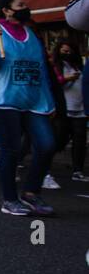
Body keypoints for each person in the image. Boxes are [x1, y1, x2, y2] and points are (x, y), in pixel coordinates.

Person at [0, 0, 58, 216]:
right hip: (4, 99)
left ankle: (31, 192)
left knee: (47, 144)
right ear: (6, 11)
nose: (25, 7)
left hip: (34, 100)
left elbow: (42, 71)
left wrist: (50, 100)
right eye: (20, 5)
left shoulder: (32, 34)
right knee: (9, 150)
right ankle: (9, 199)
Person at [52, 39, 86, 182]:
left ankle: (78, 170)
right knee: (59, 141)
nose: (67, 53)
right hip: (64, 109)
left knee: (80, 141)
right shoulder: (56, 66)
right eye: (64, 51)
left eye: (70, 51)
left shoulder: (79, 66)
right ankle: (44, 167)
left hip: (80, 109)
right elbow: (54, 83)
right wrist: (66, 79)